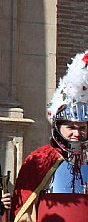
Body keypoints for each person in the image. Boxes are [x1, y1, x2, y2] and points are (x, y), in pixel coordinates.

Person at [12, 50, 88, 221]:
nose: (77, 133)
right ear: (58, 127)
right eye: (70, 127)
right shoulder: (40, 159)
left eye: (82, 127)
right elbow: (25, 210)